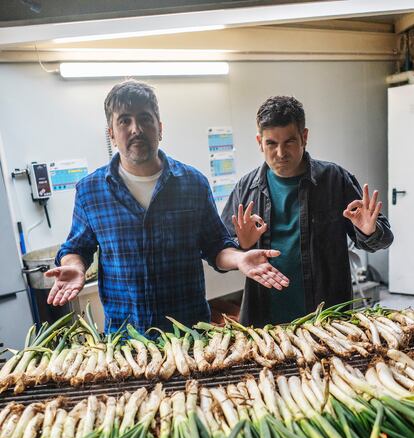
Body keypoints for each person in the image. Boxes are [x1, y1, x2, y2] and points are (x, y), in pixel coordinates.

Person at [46, 81, 289, 332]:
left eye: (145, 119)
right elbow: (76, 247)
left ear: (159, 128)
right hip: (125, 340)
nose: (136, 129)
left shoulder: (193, 184)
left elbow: (216, 246)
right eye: (124, 121)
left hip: (190, 335)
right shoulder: (91, 191)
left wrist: (239, 259)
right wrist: (75, 267)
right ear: (111, 133)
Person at [221, 95, 393, 327]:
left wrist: (369, 232)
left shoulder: (334, 180)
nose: (280, 153)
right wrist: (241, 246)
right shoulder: (246, 188)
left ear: (304, 137)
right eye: (271, 143)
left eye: (289, 141)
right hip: (264, 323)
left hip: (327, 320)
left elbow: (381, 240)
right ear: (259, 142)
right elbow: (221, 251)